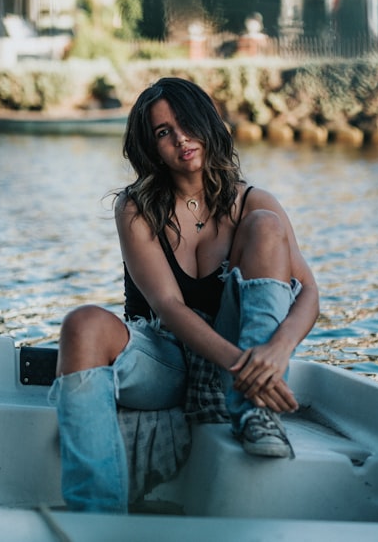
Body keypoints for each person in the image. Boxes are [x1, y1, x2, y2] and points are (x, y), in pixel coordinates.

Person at [49, 77, 319, 513]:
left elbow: (308, 292)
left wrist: (274, 355)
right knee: (80, 325)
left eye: (186, 123)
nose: (181, 138)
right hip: (166, 356)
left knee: (267, 227)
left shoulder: (252, 203)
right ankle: (96, 517)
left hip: (242, 355)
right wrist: (240, 367)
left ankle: (256, 411)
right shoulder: (136, 207)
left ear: (208, 123)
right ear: (151, 147)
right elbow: (169, 307)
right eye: (163, 132)